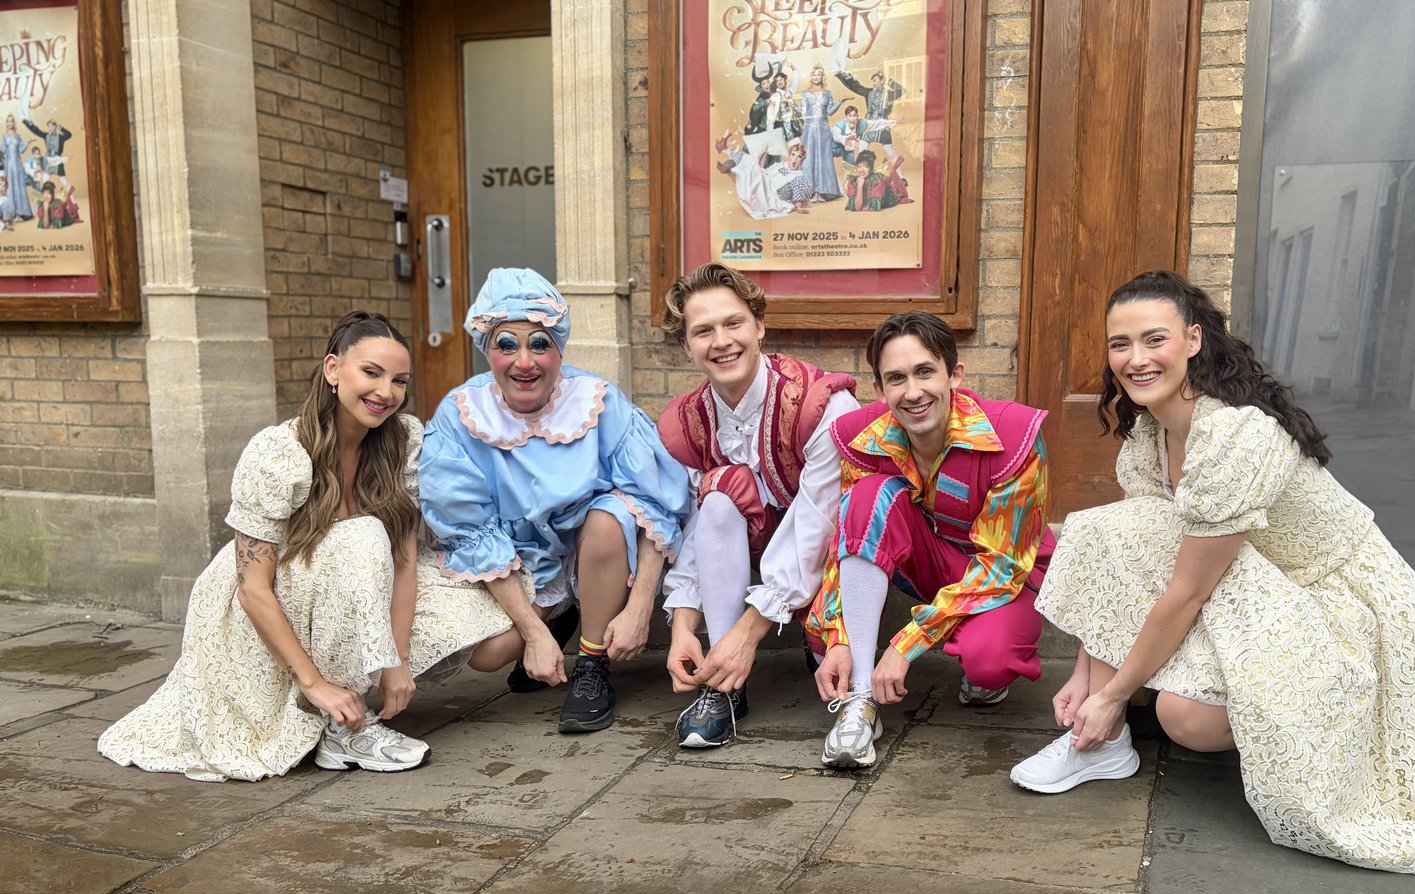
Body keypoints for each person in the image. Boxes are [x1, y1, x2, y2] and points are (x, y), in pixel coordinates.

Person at [1012, 269, 1415, 874]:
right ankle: (1102, 746)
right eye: (1121, 344)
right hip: (1260, 590)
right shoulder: (1150, 432)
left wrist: (1112, 692)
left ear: (1194, 340)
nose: (1136, 359)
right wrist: (1089, 672)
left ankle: (1113, 722)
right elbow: (1131, 559)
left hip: (1344, 605)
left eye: (1155, 339)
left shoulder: (1236, 436)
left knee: (1185, 718)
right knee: (1115, 529)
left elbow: (1189, 589)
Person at [99, 313, 522, 781]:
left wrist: (397, 663)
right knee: (362, 536)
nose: (386, 392)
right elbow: (252, 588)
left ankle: (354, 701)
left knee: (497, 625)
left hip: (356, 578)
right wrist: (315, 684)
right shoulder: (280, 453)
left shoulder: (402, 441)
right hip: (268, 596)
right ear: (332, 370)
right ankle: (342, 724)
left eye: (399, 381)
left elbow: (403, 560)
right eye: (371, 373)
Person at [419, 268, 692, 734]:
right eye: (507, 344)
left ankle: (591, 666)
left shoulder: (598, 403)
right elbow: (469, 528)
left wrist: (641, 606)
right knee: (488, 657)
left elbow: (657, 502)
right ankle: (559, 614)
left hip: (599, 548)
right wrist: (533, 631)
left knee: (609, 516)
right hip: (522, 562)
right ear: (487, 349)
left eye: (539, 344)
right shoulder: (460, 416)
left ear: (559, 348)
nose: (524, 362)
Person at [807, 312, 1056, 768]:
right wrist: (837, 633)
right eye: (896, 378)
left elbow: (1001, 567)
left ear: (954, 374)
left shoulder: (1014, 436)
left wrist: (905, 643)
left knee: (989, 661)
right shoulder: (865, 438)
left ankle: (982, 663)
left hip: (1004, 576)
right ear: (880, 390)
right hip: (923, 565)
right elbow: (847, 538)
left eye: (925, 372)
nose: (913, 392)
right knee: (867, 497)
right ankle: (860, 699)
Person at [658, 263, 858, 748]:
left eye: (733, 323)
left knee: (833, 666)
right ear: (687, 346)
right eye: (703, 331)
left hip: (841, 556)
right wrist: (684, 624)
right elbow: (697, 526)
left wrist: (748, 635)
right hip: (759, 545)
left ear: (759, 325)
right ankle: (725, 688)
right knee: (720, 495)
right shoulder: (690, 421)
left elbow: (820, 524)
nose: (722, 341)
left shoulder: (819, 403)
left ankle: (815, 636)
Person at [716, 132, 812, 220]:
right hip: (763, 182)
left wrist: (799, 208)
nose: (795, 159)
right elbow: (764, 172)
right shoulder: (780, 165)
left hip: (770, 197)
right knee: (751, 162)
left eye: (799, 156)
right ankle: (727, 163)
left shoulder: (799, 178)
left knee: (750, 166)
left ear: (803, 160)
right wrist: (761, 159)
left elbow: (798, 199)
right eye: (793, 154)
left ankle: (727, 159)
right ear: (789, 155)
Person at [834, 68, 904, 162]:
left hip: (882, 125)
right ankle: (860, 174)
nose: (873, 83)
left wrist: (887, 79)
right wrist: (841, 76)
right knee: (861, 153)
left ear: (882, 81)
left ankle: (901, 176)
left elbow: (901, 90)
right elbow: (856, 87)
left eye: (875, 81)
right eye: (872, 82)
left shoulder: (889, 94)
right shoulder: (869, 93)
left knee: (891, 153)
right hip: (868, 124)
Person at [797, 64, 843, 201]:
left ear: (822, 76)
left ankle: (822, 192)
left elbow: (829, 111)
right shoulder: (805, 93)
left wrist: (840, 102)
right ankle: (810, 192)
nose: (816, 77)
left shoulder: (828, 93)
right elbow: (803, 112)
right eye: (814, 74)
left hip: (823, 129)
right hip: (809, 129)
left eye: (819, 74)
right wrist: (791, 105)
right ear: (811, 77)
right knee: (809, 159)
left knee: (824, 159)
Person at [843, 150, 912, 212]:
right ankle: (890, 168)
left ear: (871, 169)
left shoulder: (877, 181)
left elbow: (871, 208)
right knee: (886, 178)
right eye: (859, 166)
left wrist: (862, 207)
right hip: (883, 182)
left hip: (888, 193)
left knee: (899, 189)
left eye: (865, 166)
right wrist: (860, 186)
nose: (861, 169)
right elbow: (857, 208)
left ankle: (893, 168)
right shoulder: (853, 181)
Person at [1, 115, 33, 222]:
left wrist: (28, 142)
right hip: (9, 166)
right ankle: (12, 213)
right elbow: (4, 151)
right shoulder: (4, 136)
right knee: (10, 188)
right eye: (8, 121)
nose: (10, 123)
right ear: (6, 123)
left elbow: (21, 150)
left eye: (12, 121)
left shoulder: (18, 136)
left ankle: (22, 212)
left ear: (14, 123)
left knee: (19, 187)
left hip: (18, 165)